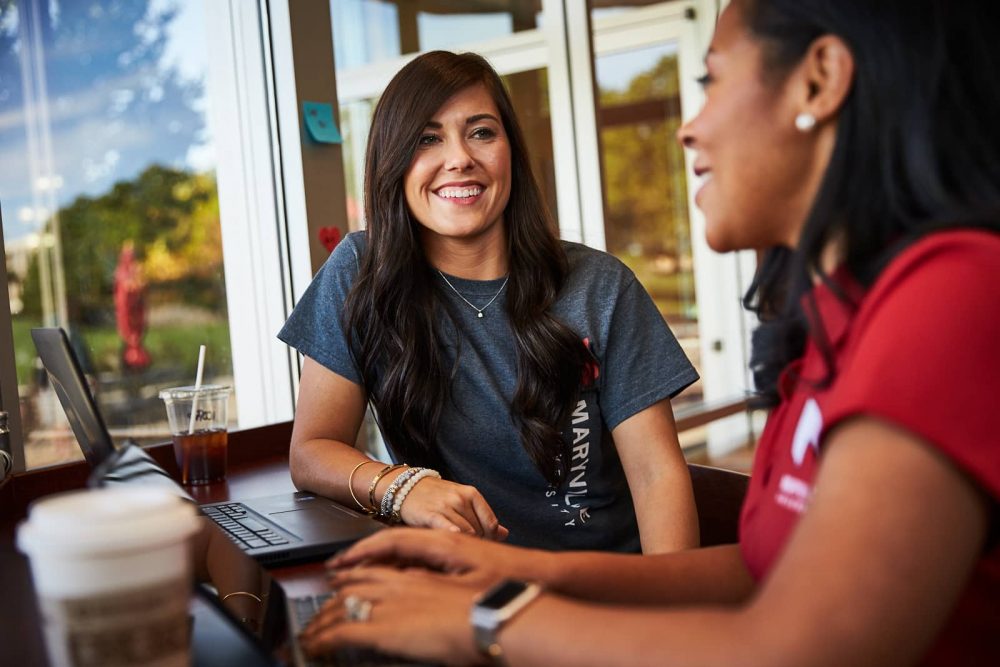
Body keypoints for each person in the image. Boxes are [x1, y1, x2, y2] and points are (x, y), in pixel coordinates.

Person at [297, 1, 1000, 665]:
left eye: (711, 80)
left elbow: (797, 644)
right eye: (428, 139)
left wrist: (488, 618)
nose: (687, 127)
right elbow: (761, 565)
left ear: (818, 81)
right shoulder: (836, 326)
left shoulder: (950, 294)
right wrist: (515, 570)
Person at [278, 50, 700, 553]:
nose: (459, 158)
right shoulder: (361, 272)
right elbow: (311, 451)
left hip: (600, 590)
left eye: (481, 132)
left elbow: (657, 476)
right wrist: (404, 488)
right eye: (427, 139)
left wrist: (664, 616)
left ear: (511, 153)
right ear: (393, 161)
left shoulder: (600, 286)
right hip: (462, 591)